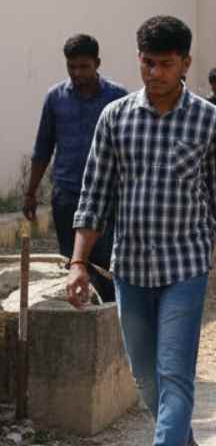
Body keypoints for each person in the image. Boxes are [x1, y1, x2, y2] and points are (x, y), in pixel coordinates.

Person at [64, 15, 216, 446]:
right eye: (148, 63)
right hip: (130, 268)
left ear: (186, 63)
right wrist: (79, 263)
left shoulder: (209, 120)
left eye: (166, 64)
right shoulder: (116, 118)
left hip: (185, 268)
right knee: (146, 377)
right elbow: (94, 196)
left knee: (175, 374)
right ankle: (182, 441)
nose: (156, 73)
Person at [27, 34, 128, 302]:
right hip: (67, 195)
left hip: (108, 197)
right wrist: (31, 193)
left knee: (106, 263)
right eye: (71, 66)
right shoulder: (55, 98)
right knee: (72, 262)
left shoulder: (118, 98)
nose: (77, 72)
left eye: (84, 66)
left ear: (97, 63)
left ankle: (110, 320)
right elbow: (43, 148)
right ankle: (80, 317)